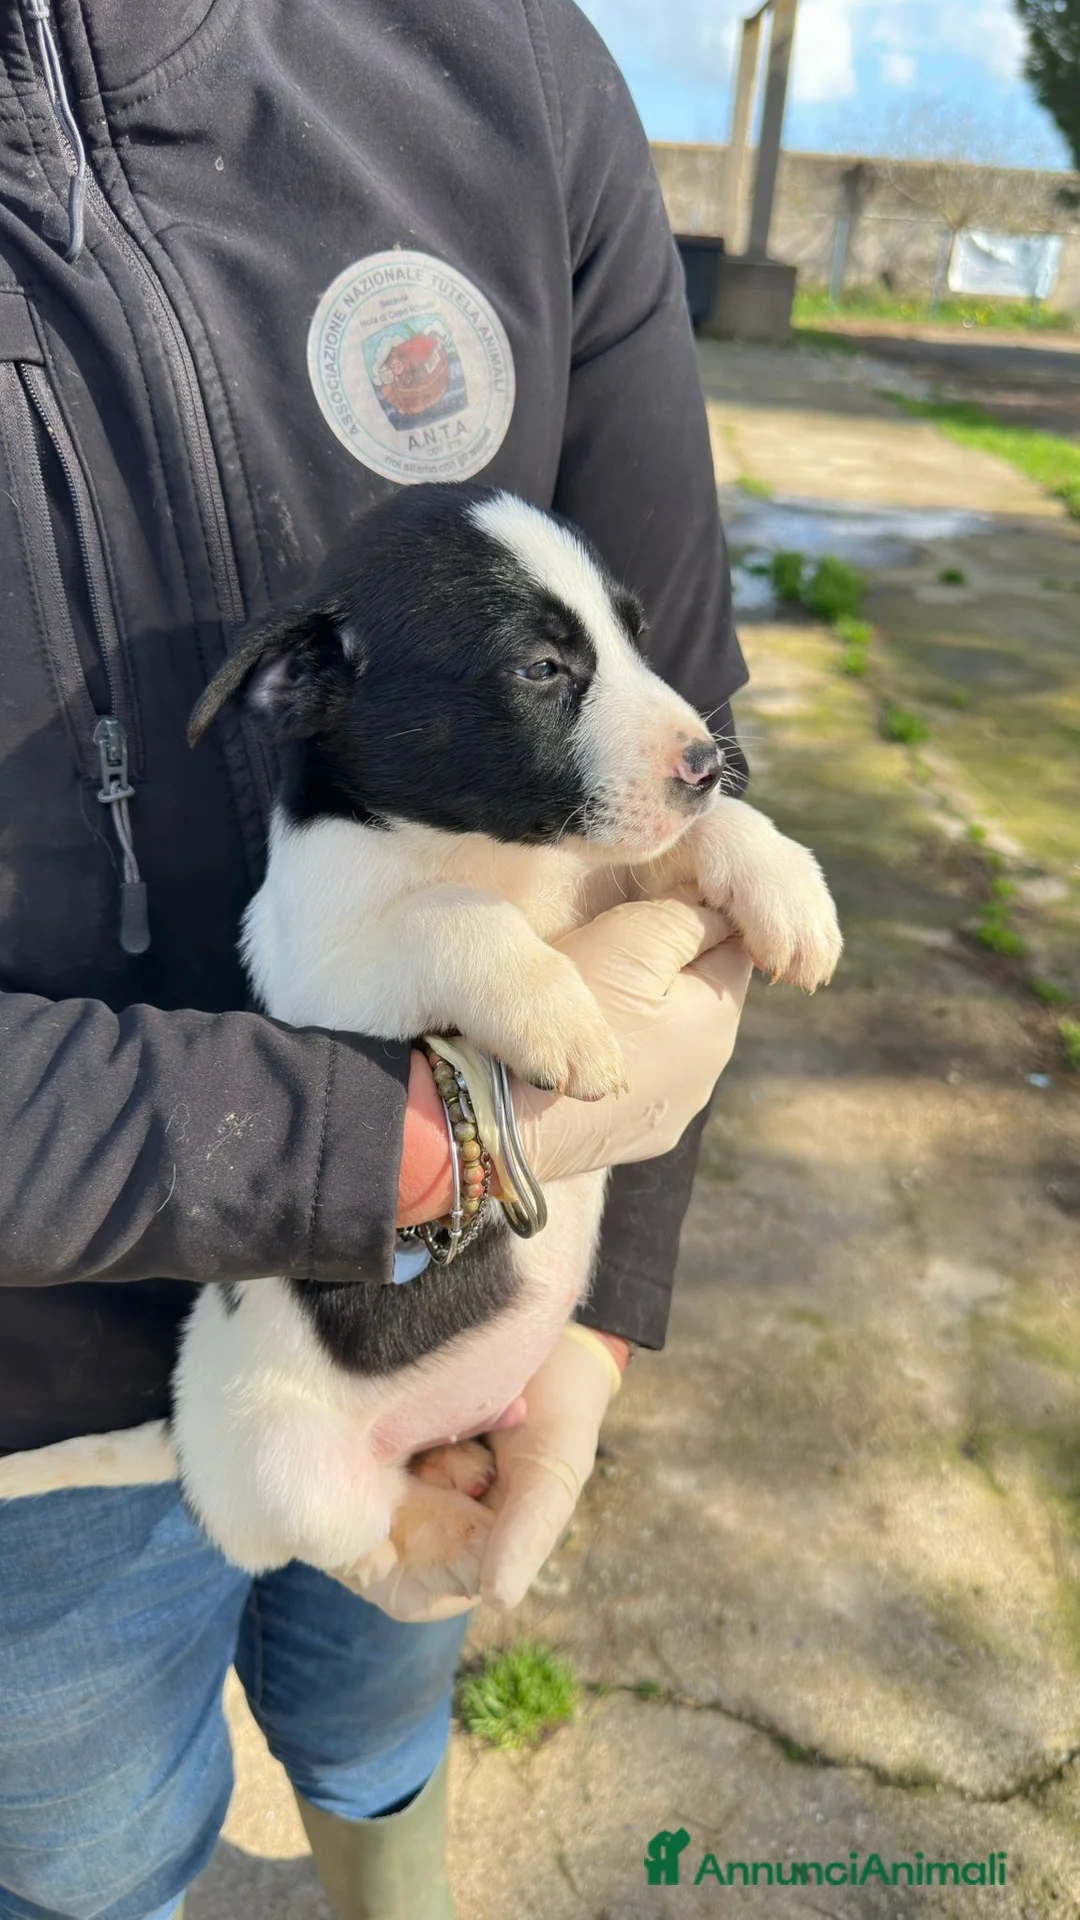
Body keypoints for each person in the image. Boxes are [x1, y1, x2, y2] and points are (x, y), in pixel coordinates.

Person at [0, 2, 751, 1916]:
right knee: (90, 1864)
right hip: (26, 1447)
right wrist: (440, 1142)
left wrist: (592, 1304)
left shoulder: (498, 59)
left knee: (382, 1713)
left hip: (466, 1340)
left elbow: (681, 736)